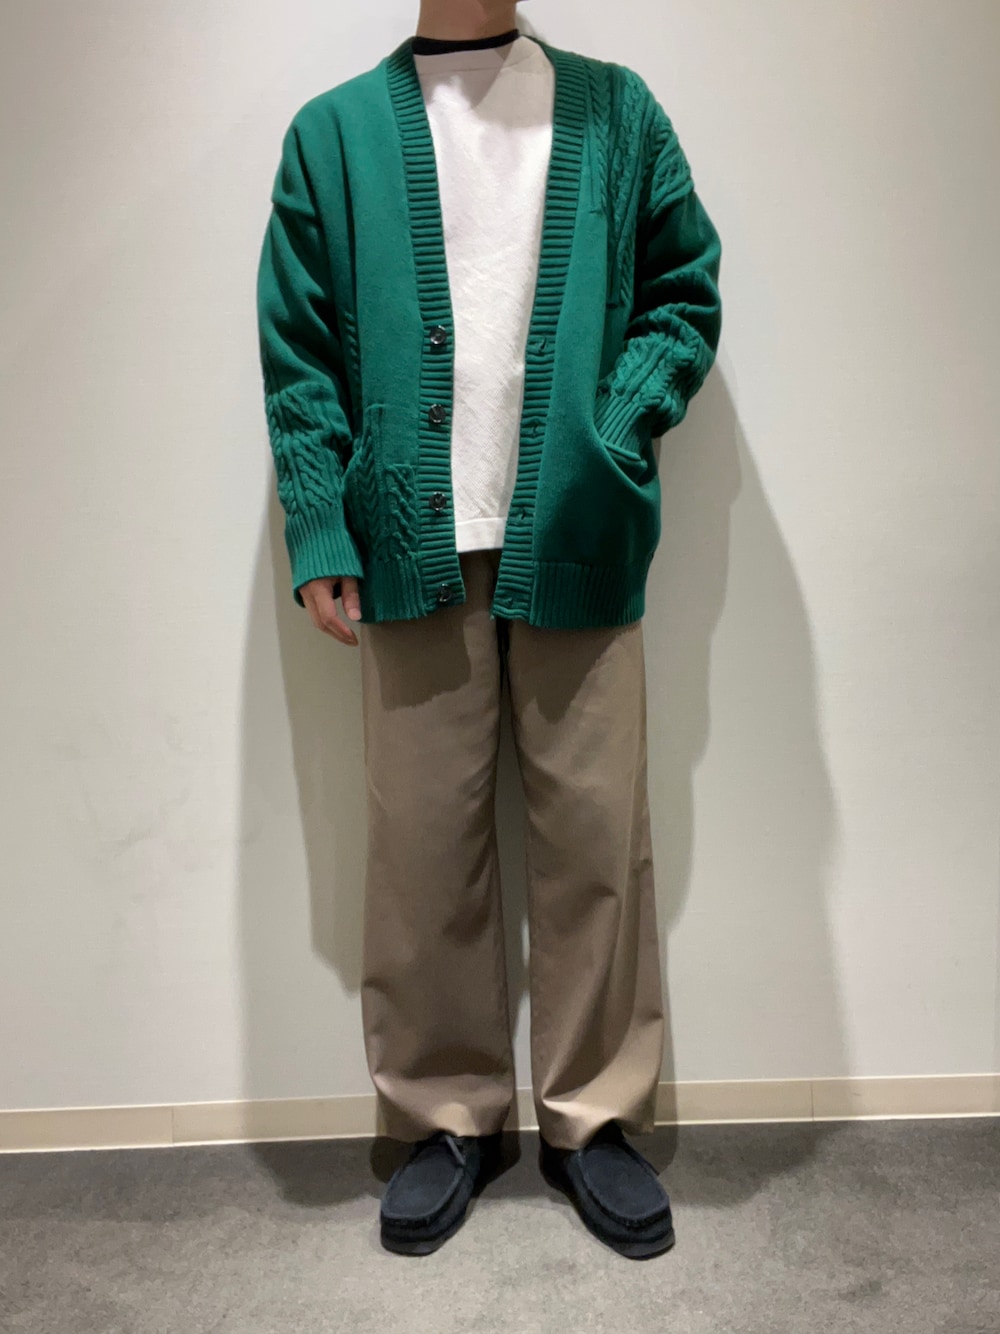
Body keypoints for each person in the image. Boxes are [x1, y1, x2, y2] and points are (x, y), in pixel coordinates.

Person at [256, 0, 722, 1259]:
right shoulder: (333, 134)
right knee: (420, 849)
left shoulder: (618, 113)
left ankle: (593, 1116)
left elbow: (683, 293)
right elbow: (298, 348)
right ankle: (443, 1115)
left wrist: (612, 430)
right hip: (407, 542)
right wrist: (320, 525)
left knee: (594, 837)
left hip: (577, 532)